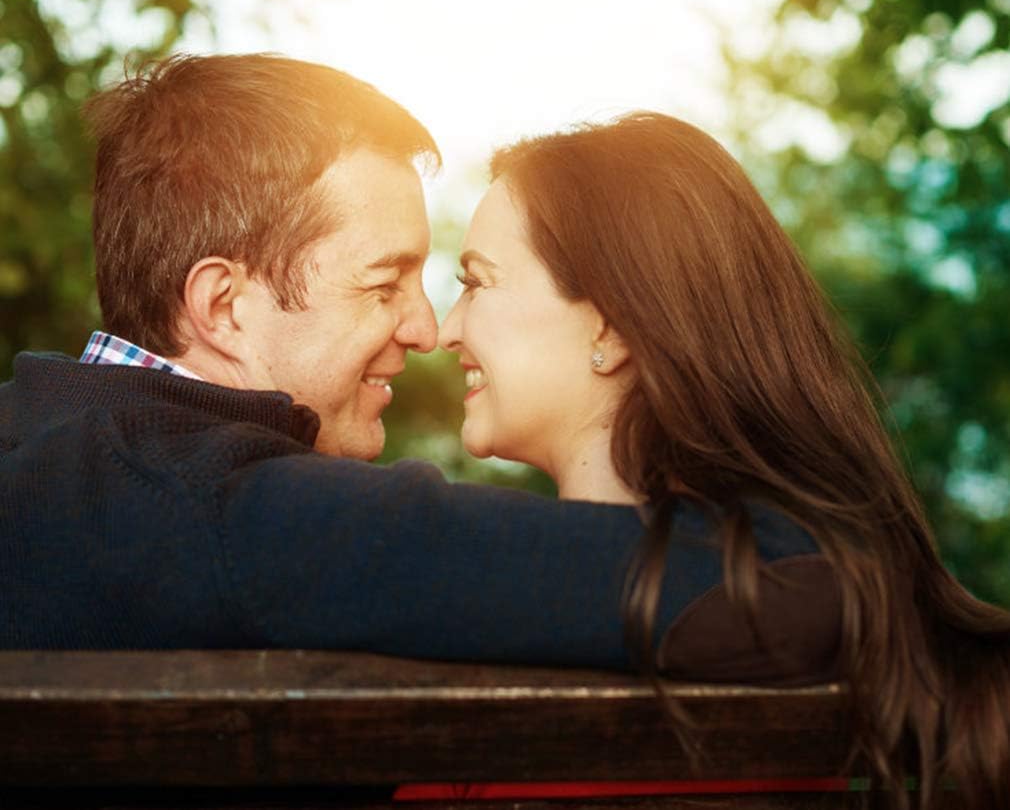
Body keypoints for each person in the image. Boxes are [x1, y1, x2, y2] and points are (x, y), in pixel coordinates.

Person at [1, 54, 828, 675]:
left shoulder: (56, 458)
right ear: (223, 307)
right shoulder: (208, 510)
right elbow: (760, 587)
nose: (426, 328)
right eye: (385, 280)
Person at [438, 112, 1010, 809]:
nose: (445, 329)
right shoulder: (764, 607)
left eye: (477, 282)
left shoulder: (744, 609)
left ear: (609, 324)